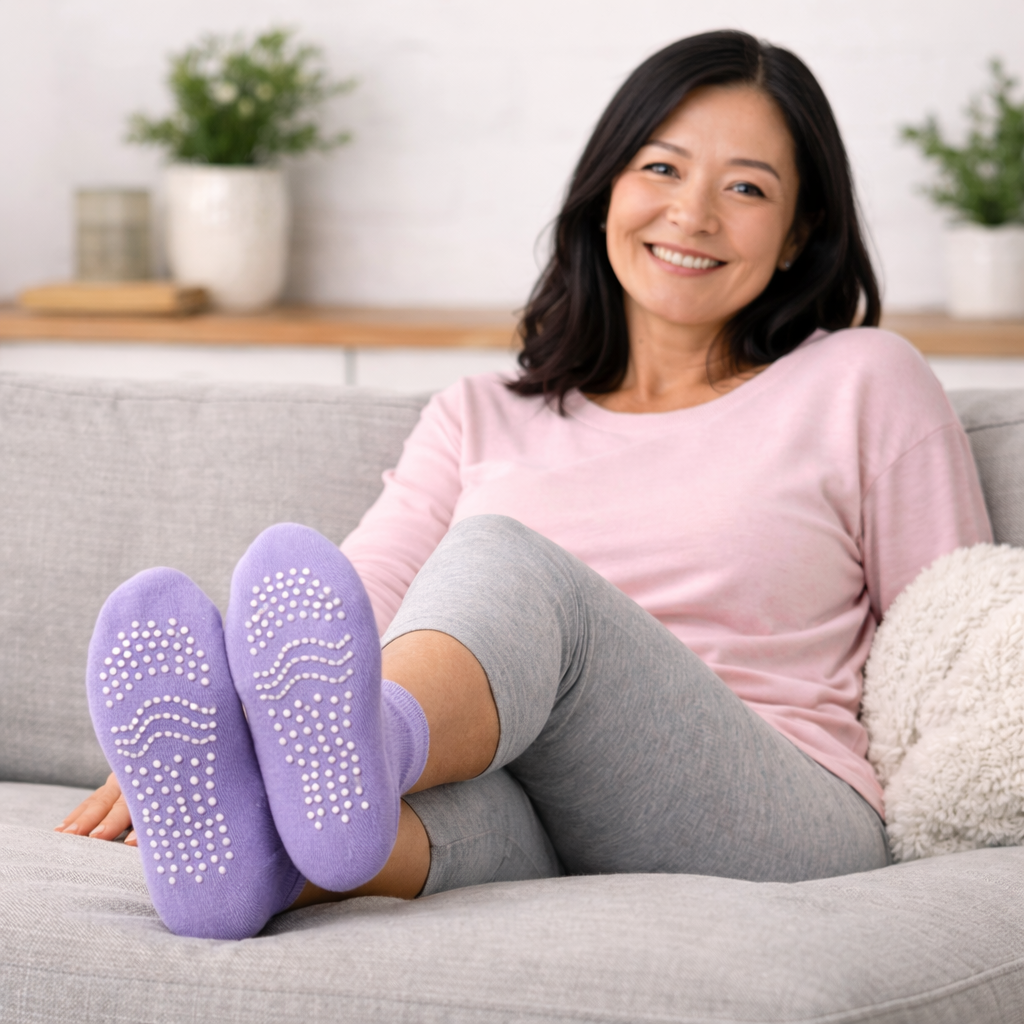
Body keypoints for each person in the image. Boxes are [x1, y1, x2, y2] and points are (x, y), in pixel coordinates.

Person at [57, 29, 991, 940]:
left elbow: (959, 635)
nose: (694, 214)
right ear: (607, 188)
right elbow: (359, 598)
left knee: (503, 559)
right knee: (470, 800)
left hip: (781, 808)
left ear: (799, 234)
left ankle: (357, 753)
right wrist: (230, 737)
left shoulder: (863, 379)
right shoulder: (479, 412)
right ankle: (243, 868)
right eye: (661, 169)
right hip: (556, 800)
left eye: (746, 188)